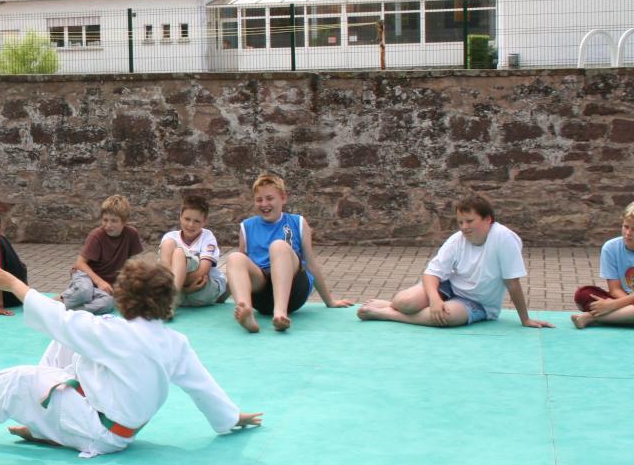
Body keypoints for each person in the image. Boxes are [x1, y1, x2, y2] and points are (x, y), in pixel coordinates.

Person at [0, 256, 263, 458]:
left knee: (21, 379)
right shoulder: (174, 341)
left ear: (124, 297)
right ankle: (41, 421)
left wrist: (16, 285)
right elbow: (203, 388)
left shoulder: (116, 335)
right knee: (65, 342)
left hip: (98, 430)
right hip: (115, 427)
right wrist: (232, 417)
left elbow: (59, 318)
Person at [357, 193, 553, 329]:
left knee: (446, 318)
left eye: (470, 221)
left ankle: (386, 313)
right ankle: (393, 304)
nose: (464, 227)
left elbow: (512, 283)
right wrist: (434, 300)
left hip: (479, 303)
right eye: (460, 222)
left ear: (488, 220)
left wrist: (525, 319)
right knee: (404, 301)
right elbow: (431, 273)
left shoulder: (504, 239)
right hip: (450, 288)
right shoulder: (457, 239)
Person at [225, 172, 350, 333]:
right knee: (235, 257)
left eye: (270, 198)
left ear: (283, 198)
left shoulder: (297, 222)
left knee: (278, 246)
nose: (264, 204)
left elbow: (311, 263)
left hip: (293, 290)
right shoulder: (246, 226)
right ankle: (245, 310)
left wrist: (329, 301)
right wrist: (221, 297)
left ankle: (280, 314)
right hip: (262, 296)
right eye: (259, 200)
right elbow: (239, 270)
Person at [57, 195, 144, 315]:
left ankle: (72, 312)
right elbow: (80, 263)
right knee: (85, 291)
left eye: (114, 221)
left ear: (124, 221)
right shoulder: (96, 236)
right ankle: (53, 303)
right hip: (85, 275)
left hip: (103, 285)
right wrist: (100, 282)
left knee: (108, 303)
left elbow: (134, 264)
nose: (108, 225)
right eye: (105, 220)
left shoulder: (131, 234)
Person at [571, 201, 634, 329]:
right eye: (626, 227)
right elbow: (615, 289)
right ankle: (623, 316)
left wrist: (613, 305)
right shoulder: (610, 247)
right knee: (583, 294)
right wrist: (620, 303)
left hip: (620, 302)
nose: (628, 233)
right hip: (623, 297)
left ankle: (592, 318)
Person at [158, 195, 227, 311]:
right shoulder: (170, 237)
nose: (190, 225)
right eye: (187, 219)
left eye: (196, 221)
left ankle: (171, 299)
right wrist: (185, 289)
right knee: (168, 244)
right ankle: (172, 297)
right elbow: (163, 274)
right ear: (180, 216)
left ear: (204, 221)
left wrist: (182, 282)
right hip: (183, 292)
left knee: (179, 253)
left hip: (202, 288)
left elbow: (202, 271)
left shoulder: (207, 237)